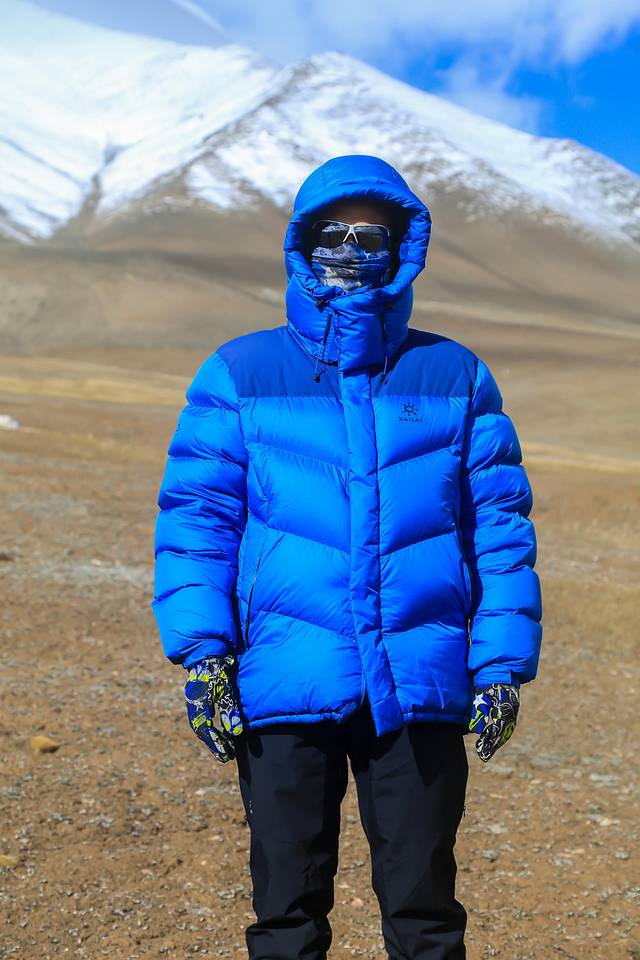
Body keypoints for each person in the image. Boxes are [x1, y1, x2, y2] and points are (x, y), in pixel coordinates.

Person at [151, 154, 543, 960]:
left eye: (373, 235)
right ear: (302, 243)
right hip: (285, 675)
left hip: (421, 679)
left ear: (405, 246)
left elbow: (499, 531)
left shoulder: (456, 374)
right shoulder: (240, 372)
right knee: (287, 912)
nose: (352, 251)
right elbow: (198, 521)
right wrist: (204, 652)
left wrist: (501, 665)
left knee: (425, 912)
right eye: (333, 233)